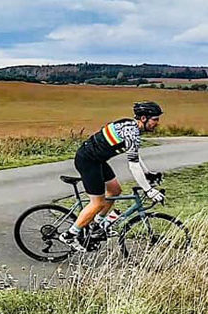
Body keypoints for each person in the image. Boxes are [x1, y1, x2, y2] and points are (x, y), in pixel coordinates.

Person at [59, 101, 164, 251]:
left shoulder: (132, 127)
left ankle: (97, 225)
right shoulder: (131, 132)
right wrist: (148, 190)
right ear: (143, 118)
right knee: (98, 203)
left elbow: (133, 154)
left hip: (97, 160)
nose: (157, 123)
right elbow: (133, 165)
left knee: (115, 191)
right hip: (88, 161)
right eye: (155, 119)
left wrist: (147, 173)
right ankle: (70, 235)